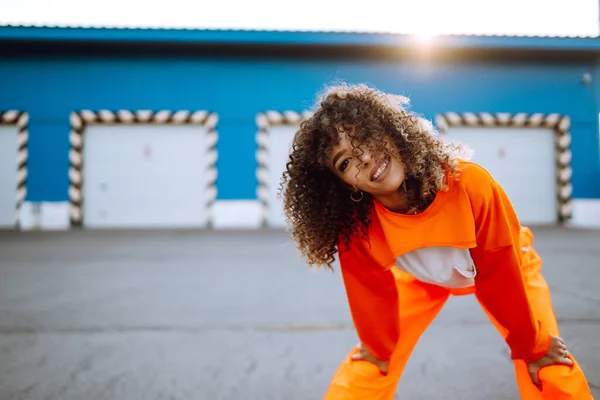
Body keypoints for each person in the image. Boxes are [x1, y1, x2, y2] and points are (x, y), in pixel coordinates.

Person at [279, 82, 593, 399]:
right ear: (344, 185)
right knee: (373, 362)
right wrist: (378, 347)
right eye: (344, 162)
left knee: (546, 358)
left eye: (364, 139)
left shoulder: (470, 184)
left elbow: (498, 272)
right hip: (421, 280)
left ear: (392, 131)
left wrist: (530, 344)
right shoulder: (357, 224)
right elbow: (368, 290)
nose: (362, 159)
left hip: (509, 266)